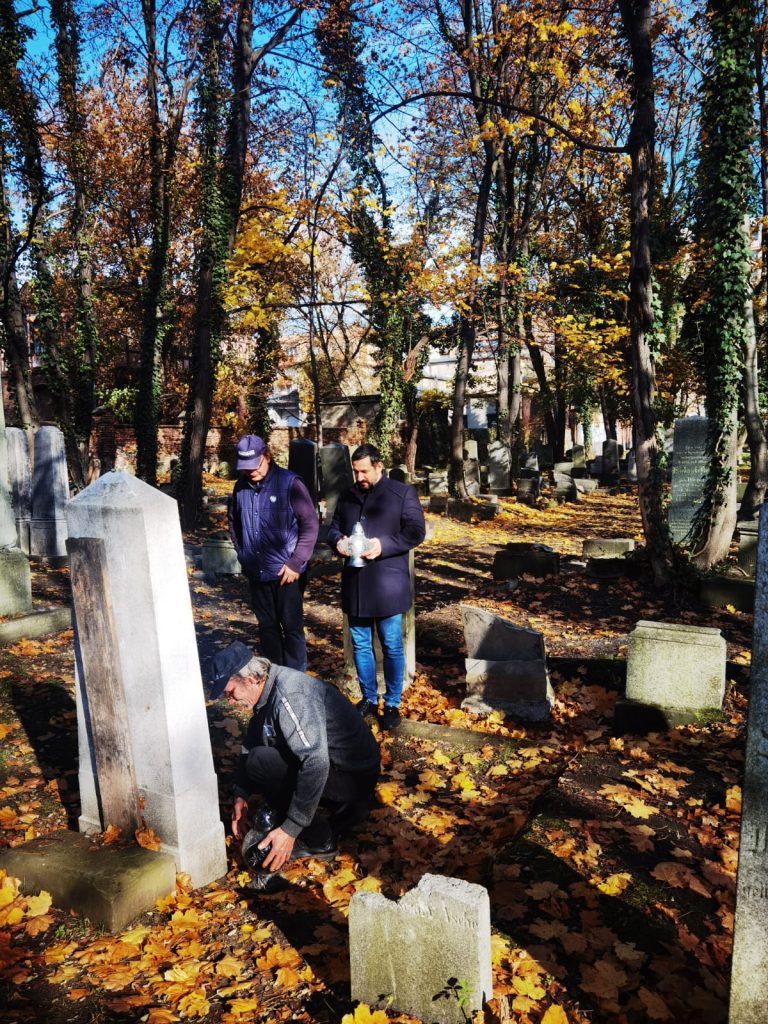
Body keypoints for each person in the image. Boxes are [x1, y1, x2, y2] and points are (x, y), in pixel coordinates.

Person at [209, 641, 380, 875]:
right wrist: (241, 793)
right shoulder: (266, 689)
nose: (230, 700)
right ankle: (346, 810)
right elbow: (253, 741)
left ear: (249, 680)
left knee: (262, 763)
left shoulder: (291, 695)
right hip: (340, 766)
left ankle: (320, 840)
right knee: (258, 757)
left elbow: (316, 763)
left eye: (230, 692)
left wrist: (290, 830)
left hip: (353, 774)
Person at [327, 443, 426, 731]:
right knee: (360, 645)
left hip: (387, 584)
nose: (360, 477)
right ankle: (369, 698)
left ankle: (392, 702)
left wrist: (384, 545)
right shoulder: (348, 495)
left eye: (365, 471)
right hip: (356, 584)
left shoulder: (401, 493)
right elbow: (334, 526)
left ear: (379, 466)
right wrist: (338, 542)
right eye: (356, 472)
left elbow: (415, 531)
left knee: (392, 646)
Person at [228, 434, 319, 671]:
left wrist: (296, 562)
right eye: (245, 468)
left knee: (291, 628)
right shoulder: (240, 487)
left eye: (255, 466)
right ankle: (276, 676)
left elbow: (310, 524)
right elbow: (233, 523)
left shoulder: (290, 483)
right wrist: (243, 554)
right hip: (257, 572)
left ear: (266, 456)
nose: (251, 472)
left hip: (286, 573)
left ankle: (295, 679)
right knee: (267, 628)